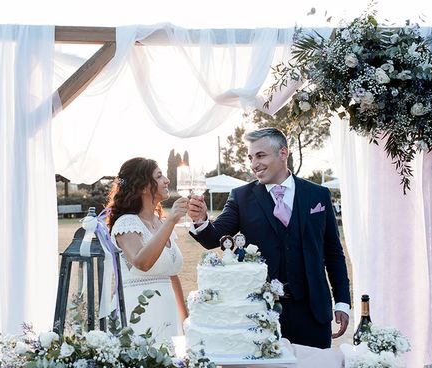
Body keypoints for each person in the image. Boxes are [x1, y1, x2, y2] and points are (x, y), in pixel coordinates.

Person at [187, 128, 350, 349]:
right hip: (261, 313)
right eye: (250, 158)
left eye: (261, 155)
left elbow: (333, 252)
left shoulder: (318, 195)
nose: (254, 164)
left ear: (283, 153)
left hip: (313, 311)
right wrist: (201, 219)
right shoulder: (241, 197)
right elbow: (213, 238)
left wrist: (341, 301)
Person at [106, 157, 189, 344]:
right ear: (143, 187)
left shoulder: (161, 222)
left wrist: (185, 322)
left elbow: (172, 275)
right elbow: (142, 262)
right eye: (159, 176)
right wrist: (171, 220)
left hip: (167, 314)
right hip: (139, 315)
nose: (167, 180)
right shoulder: (126, 223)